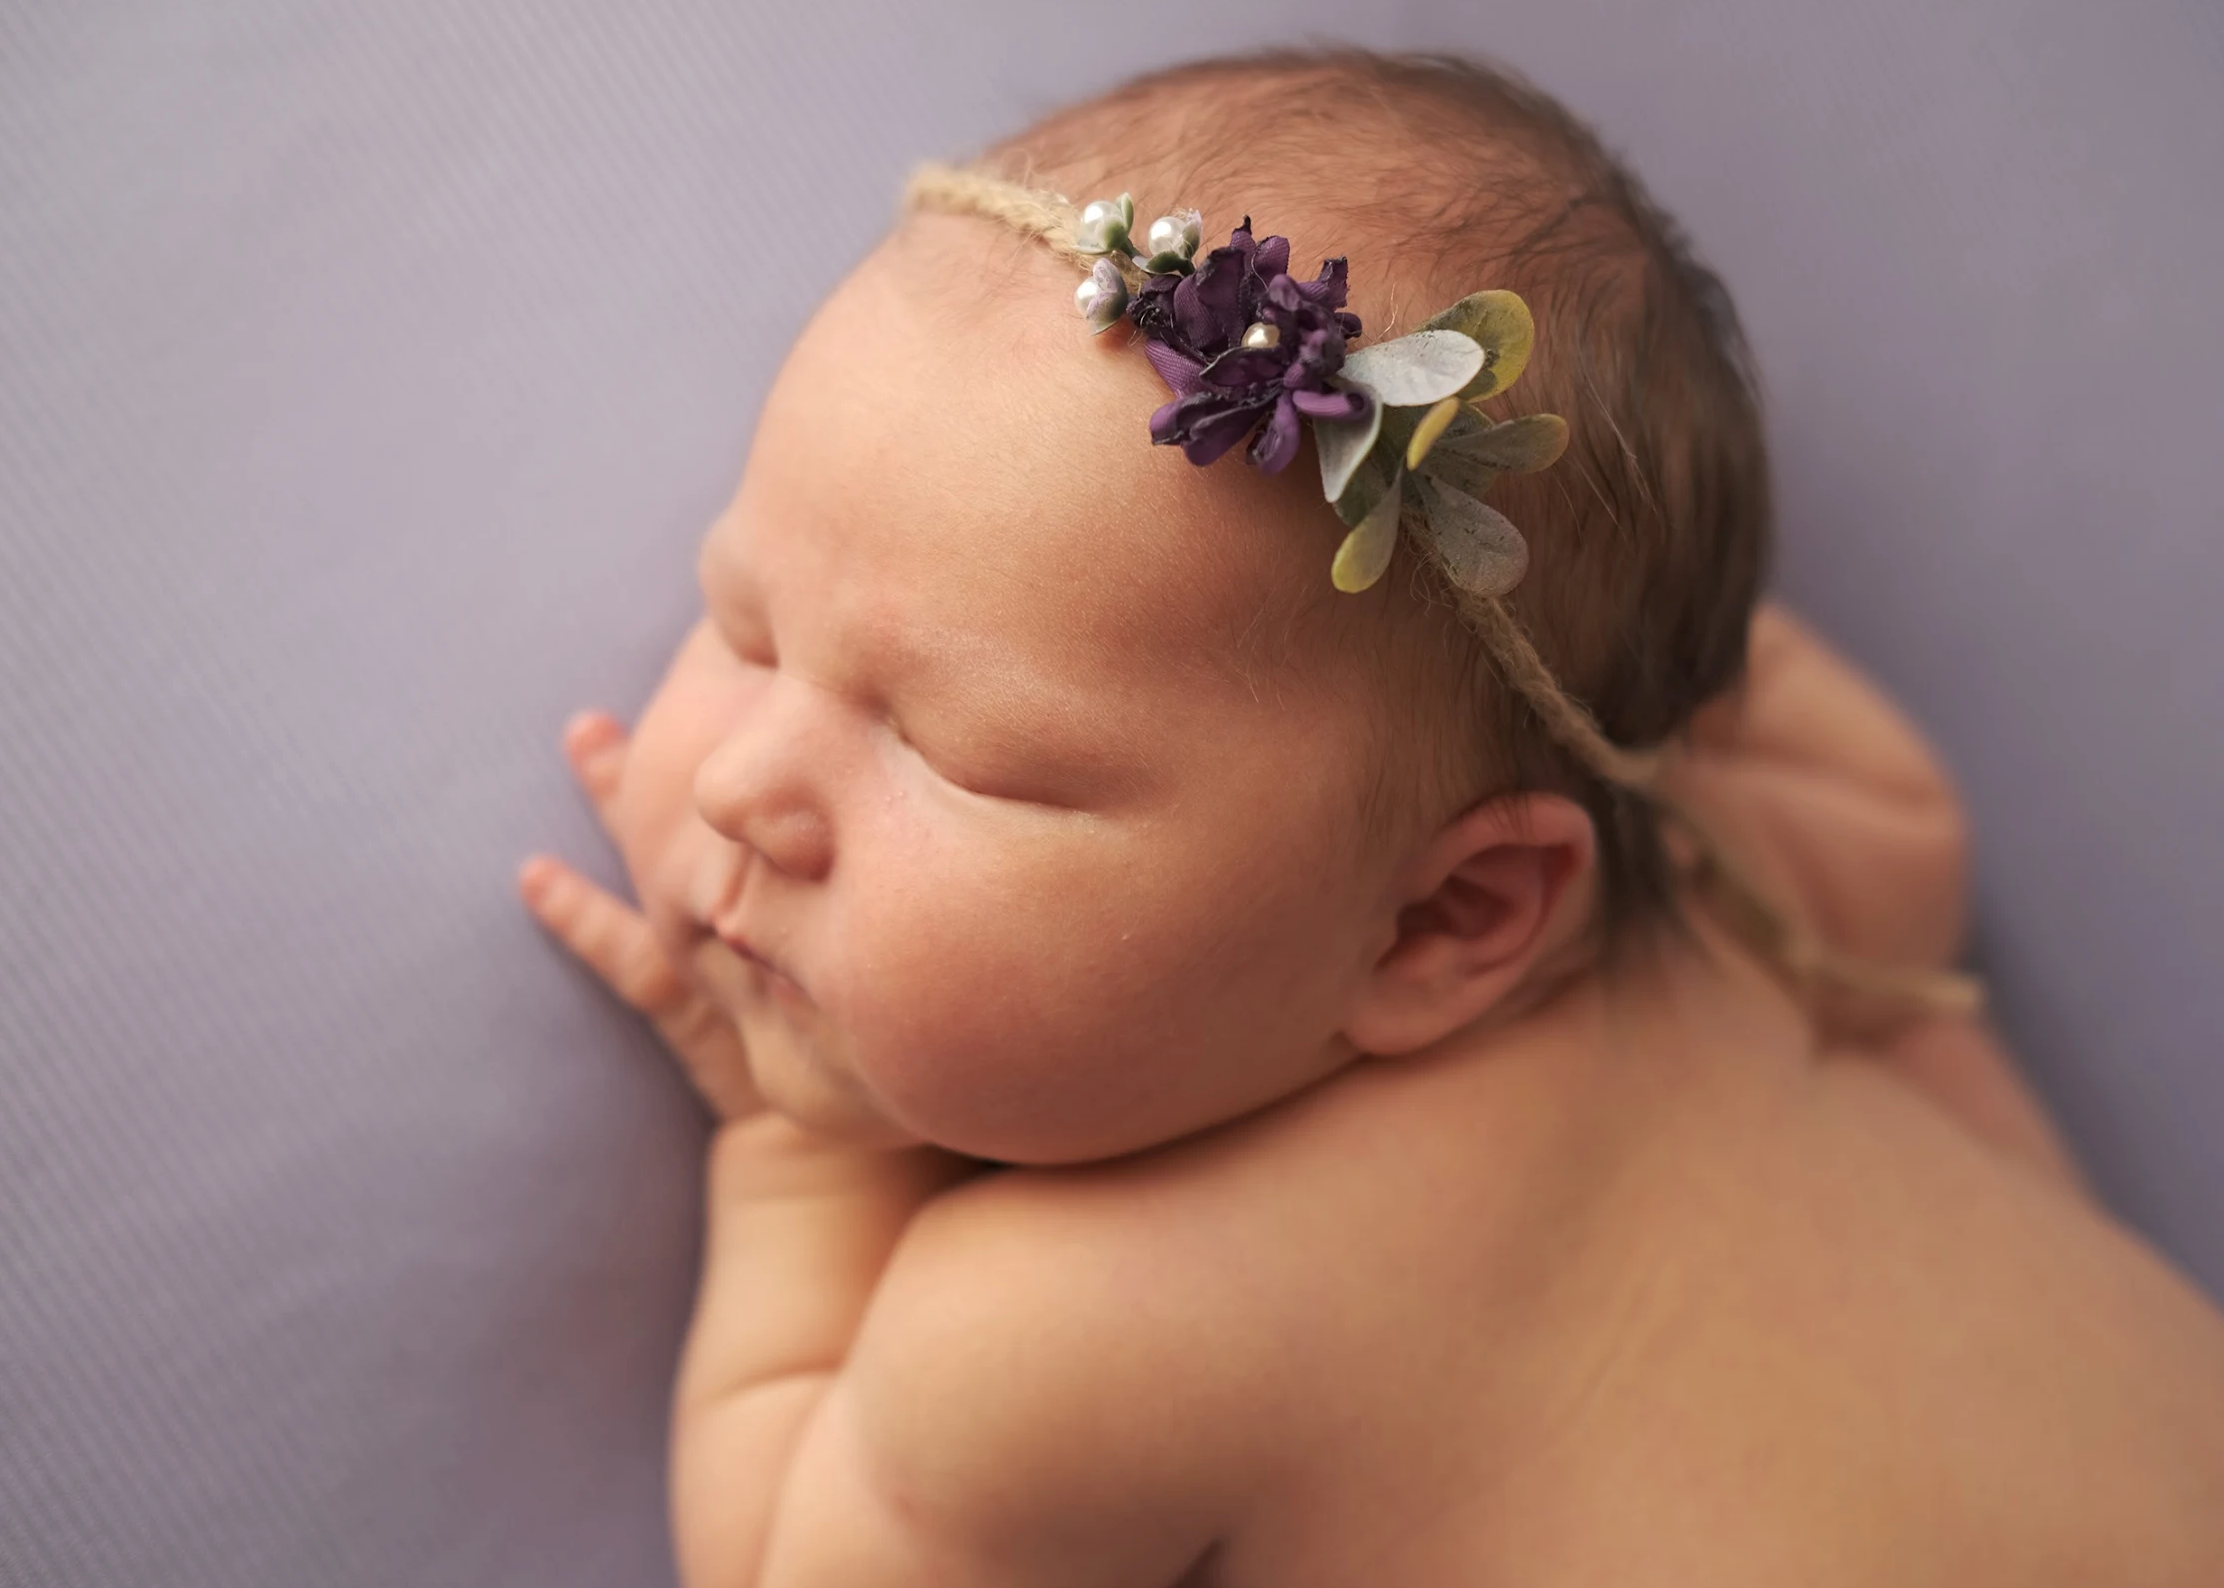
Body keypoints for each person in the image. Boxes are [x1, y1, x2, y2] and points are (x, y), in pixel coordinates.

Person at [517, 48, 2224, 1587]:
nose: (743, 788)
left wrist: (797, 1162)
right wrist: (1588, 648)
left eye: (965, 759)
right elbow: (1903, 820)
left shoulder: (1046, 1345)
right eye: (740, 625)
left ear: (1446, 922)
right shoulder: (1735, 889)